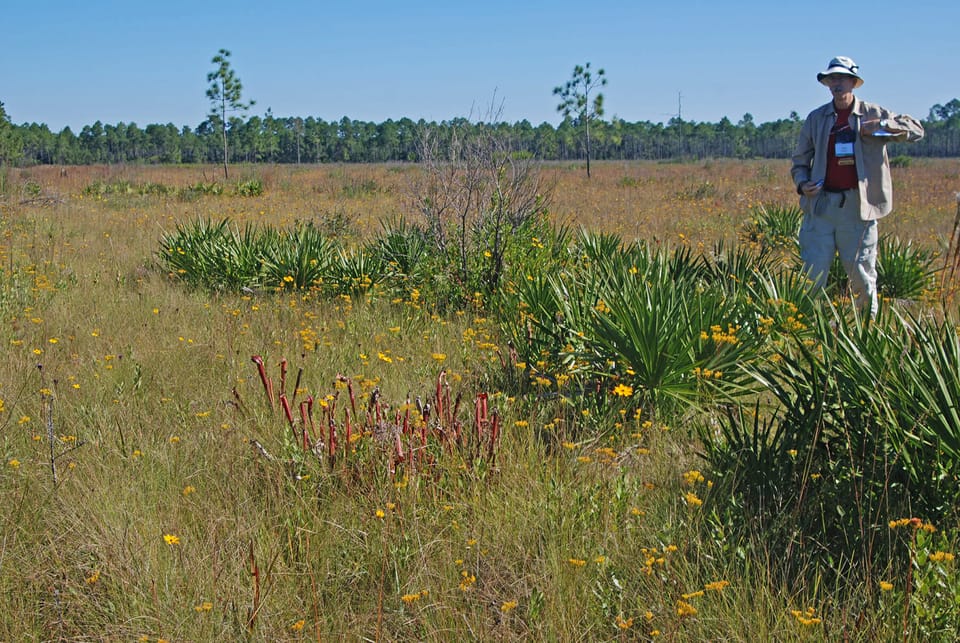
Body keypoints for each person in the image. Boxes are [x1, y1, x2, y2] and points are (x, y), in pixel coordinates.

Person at [791, 56, 924, 315]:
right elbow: (799, 161)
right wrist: (802, 183)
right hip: (821, 207)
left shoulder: (873, 114)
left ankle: (865, 336)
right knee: (812, 277)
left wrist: (882, 126)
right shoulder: (816, 118)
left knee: (862, 278)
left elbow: (917, 130)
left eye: (840, 78)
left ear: (854, 82)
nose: (835, 83)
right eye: (831, 79)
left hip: (858, 209)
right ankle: (806, 332)